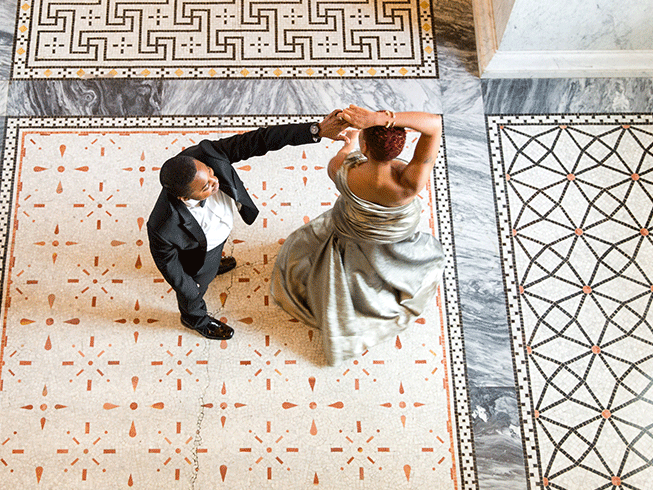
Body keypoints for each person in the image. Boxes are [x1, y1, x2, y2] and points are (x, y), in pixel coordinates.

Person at [148, 112, 348, 340]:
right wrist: (191, 289)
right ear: (185, 198)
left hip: (213, 240)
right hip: (195, 259)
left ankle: (213, 264)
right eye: (206, 187)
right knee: (193, 290)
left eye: (212, 174)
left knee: (213, 261)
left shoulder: (207, 153)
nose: (216, 183)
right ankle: (193, 318)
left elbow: (259, 139)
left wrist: (317, 130)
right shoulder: (162, 226)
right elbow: (170, 267)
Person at [271, 105, 445, 364]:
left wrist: (349, 142)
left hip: (352, 233)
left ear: (365, 148)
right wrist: (380, 119)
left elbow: (339, 159)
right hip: (392, 236)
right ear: (400, 149)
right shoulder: (411, 182)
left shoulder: (343, 171)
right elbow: (434, 125)